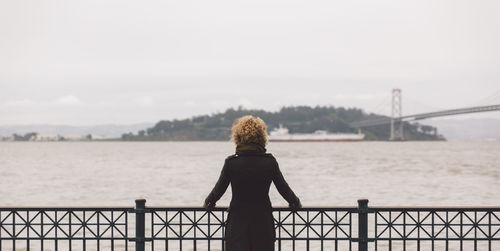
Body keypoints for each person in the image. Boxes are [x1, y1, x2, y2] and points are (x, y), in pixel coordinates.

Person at [204, 115, 301, 251]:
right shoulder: (269, 162)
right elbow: (283, 189)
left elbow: (218, 191)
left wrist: (209, 202)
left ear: (238, 137)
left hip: (237, 227)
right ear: (262, 137)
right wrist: (295, 202)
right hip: (263, 225)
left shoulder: (232, 163)